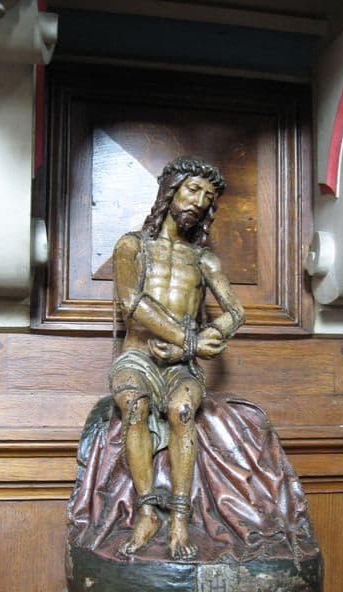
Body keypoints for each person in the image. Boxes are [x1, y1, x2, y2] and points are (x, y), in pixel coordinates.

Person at [111, 156, 245, 560]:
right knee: (134, 404)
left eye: (207, 197)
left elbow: (235, 312)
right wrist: (190, 340)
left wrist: (199, 343)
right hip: (138, 357)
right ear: (170, 191)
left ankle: (181, 519)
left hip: (182, 367)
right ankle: (147, 512)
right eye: (193, 190)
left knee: (182, 410)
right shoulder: (132, 246)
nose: (199, 202)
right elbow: (132, 303)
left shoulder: (203, 260)